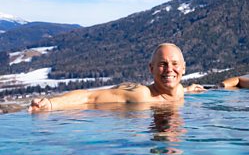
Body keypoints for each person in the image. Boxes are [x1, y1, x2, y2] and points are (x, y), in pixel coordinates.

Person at [29, 43, 205, 112]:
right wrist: (52, 103)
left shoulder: (180, 90)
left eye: (174, 64)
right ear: (151, 68)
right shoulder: (141, 96)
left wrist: (190, 89)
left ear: (183, 68)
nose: (169, 70)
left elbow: (178, 89)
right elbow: (91, 97)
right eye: (162, 64)